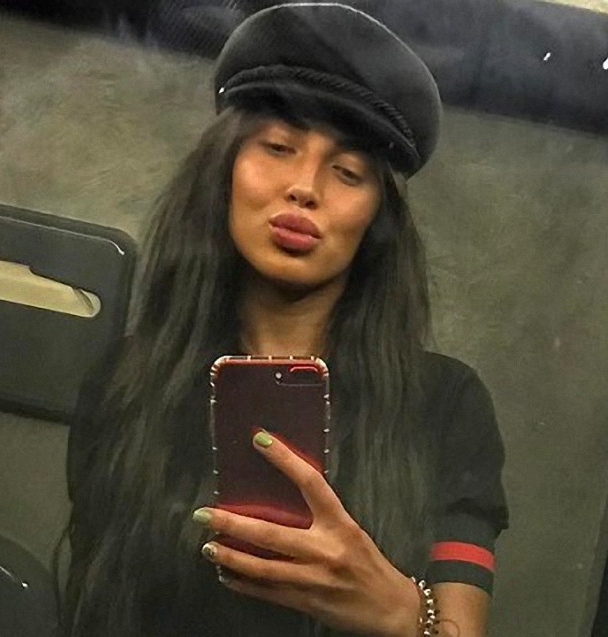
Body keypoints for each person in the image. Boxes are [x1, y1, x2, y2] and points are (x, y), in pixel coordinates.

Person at [61, 4, 508, 636]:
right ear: (225, 170)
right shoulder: (127, 383)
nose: (305, 187)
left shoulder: (444, 406)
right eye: (277, 147)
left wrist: (401, 613)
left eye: (348, 172)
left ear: (376, 219)